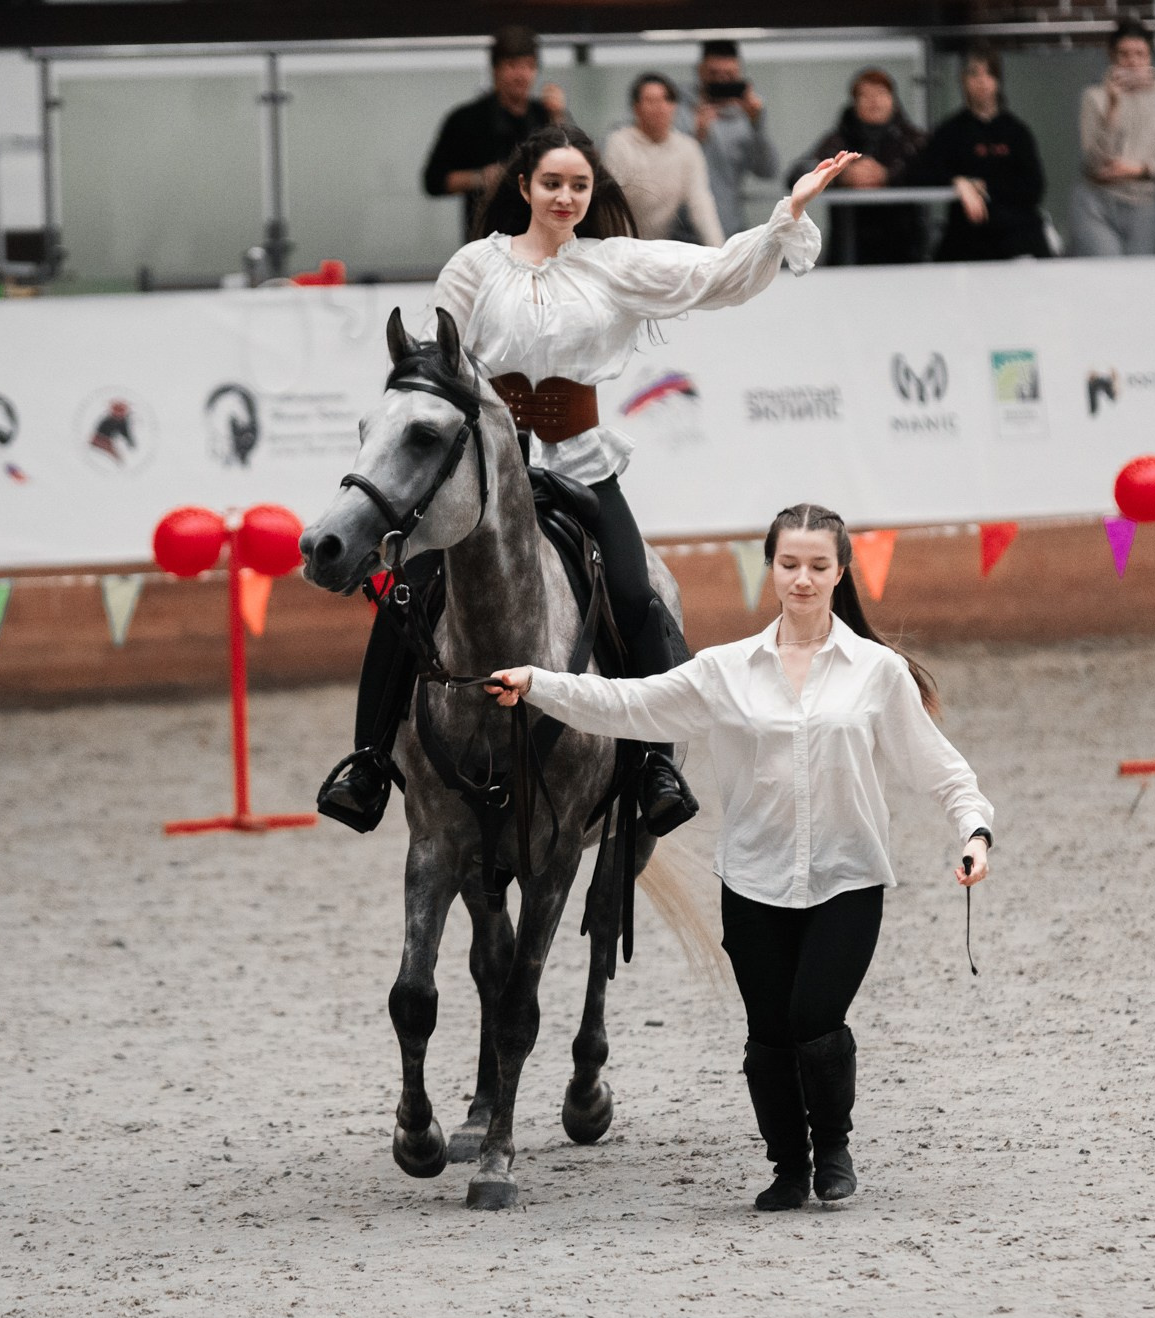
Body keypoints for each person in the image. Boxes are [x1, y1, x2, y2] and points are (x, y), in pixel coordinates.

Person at [316, 122, 858, 842]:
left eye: (578, 185)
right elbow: (439, 364)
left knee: (637, 596)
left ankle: (656, 766)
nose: (565, 197)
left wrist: (786, 213)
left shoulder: (615, 264)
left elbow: (716, 274)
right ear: (524, 188)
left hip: (580, 462)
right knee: (407, 594)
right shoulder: (475, 266)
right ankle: (367, 763)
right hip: (490, 474)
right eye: (552, 183)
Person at [485, 503, 995, 1211]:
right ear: (772, 569)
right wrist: (538, 683)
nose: (802, 578)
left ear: (840, 572)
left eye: (818, 565)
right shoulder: (725, 670)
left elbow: (939, 768)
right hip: (754, 880)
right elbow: (628, 704)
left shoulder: (877, 672)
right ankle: (788, 1166)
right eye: (789, 564)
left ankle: (833, 1147)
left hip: (848, 877)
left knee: (815, 1017)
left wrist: (975, 831)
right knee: (768, 1034)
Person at [422, 25, 569, 243]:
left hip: (543, 238)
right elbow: (433, 181)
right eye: (512, 66)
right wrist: (480, 178)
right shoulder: (466, 119)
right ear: (495, 69)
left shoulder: (545, 115)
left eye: (529, 66)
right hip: (487, 239)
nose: (521, 75)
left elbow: (576, 166)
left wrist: (559, 117)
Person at [912, 45, 1052, 262]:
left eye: (989, 73)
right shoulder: (951, 131)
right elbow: (923, 172)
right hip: (968, 239)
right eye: (974, 73)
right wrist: (958, 182)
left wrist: (984, 187)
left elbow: (1034, 187)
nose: (982, 81)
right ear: (963, 80)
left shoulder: (1016, 132)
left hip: (1018, 238)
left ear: (998, 80)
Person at [1070, 20, 1155, 257]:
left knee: (1139, 276)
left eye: (1140, 54)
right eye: (1124, 55)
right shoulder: (1094, 96)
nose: (1133, 62)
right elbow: (1093, 163)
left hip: (1143, 202)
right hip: (1096, 202)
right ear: (1112, 56)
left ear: (1150, 56)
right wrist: (1113, 107)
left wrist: (1141, 169)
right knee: (1106, 272)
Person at [792, 67, 930, 265]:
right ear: (854, 102)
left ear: (893, 99)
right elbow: (798, 175)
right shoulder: (838, 140)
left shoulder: (914, 141)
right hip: (849, 251)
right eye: (865, 95)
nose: (874, 101)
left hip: (906, 250)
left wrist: (888, 176)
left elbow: (935, 171)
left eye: (881, 93)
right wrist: (839, 175)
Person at [603, 72, 724, 246]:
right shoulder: (619, 143)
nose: (659, 107)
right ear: (636, 108)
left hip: (661, 246)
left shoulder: (687, 148)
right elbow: (613, 205)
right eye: (650, 101)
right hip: (621, 242)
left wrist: (719, 251)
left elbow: (701, 204)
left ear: (674, 106)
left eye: (666, 100)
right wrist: (624, 249)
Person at [678, 40, 779, 236]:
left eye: (730, 75)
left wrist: (757, 125)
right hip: (683, 231)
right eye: (714, 74)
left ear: (739, 74)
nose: (722, 81)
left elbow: (768, 171)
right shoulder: (678, 110)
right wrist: (696, 137)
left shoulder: (746, 115)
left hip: (730, 228)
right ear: (700, 71)